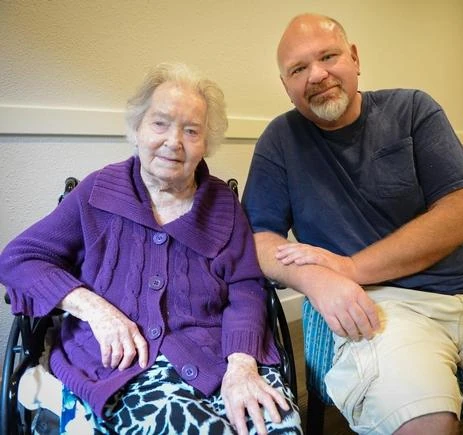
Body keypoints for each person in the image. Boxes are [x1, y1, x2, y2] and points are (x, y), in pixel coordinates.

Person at [241, 13, 463, 435]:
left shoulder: (413, 109)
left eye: (328, 56)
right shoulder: (280, 139)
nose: (317, 75)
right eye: (298, 69)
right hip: (383, 304)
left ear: (354, 57)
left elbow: (459, 216)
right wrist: (317, 281)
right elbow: (258, 238)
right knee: (424, 423)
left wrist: (349, 267)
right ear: (286, 86)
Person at [0, 63, 302, 435]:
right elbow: (19, 258)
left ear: (206, 143)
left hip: (220, 352)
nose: (174, 141)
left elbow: (246, 288)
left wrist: (241, 365)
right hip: (124, 364)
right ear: (136, 129)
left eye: (191, 130)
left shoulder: (223, 204)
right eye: (160, 123)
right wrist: (95, 309)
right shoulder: (97, 193)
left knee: (278, 424)